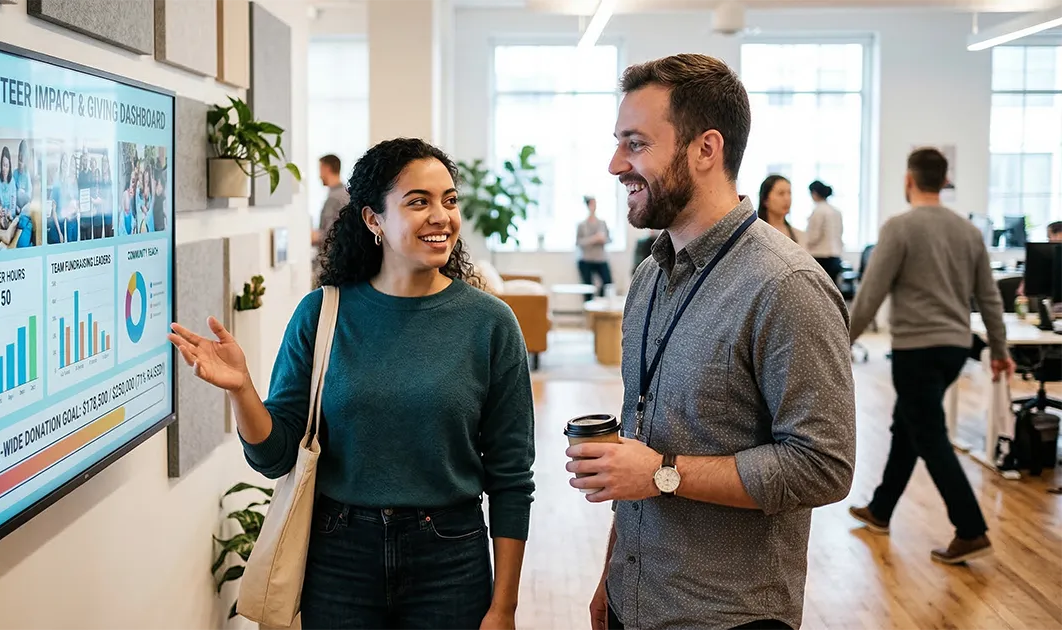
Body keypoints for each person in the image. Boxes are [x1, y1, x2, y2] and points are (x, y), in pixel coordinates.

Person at [169, 138, 535, 630]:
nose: (441, 216)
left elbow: (512, 477)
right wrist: (242, 390)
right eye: (418, 201)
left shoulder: (490, 323)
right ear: (373, 220)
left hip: (450, 557)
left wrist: (503, 608)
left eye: (449, 200)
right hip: (339, 556)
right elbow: (275, 456)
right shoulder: (321, 314)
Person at [570, 54, 855, 630]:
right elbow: (641, 440)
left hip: (727, 615)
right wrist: (613, 573)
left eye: (636, 143)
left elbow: (822, 465)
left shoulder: (786, 286)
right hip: (636, 596)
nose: (615, 163)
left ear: (706, 149)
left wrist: (661, 474)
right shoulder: (652, 275)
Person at [847, 148, 1014, 565]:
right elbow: (989, 297)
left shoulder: (900, 228)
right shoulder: (968, 231)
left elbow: (870, 293)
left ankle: (971, 529)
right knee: (909, 426)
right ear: (944, 181)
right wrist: (999, 348)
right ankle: (882, 509)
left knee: (930, 434)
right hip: (955, 349)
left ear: (909, 180)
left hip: (916, 349)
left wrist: (839, 340)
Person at [805, 180, 844, 284]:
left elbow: (813, 236)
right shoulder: (836, 211)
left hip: (821, 257)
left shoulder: (818, 211)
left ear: (814, 193)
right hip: (836, 257)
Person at [576, 196, 614, 300]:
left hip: (600, 258)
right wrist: (593, 239)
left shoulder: (602, 223)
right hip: (586, 259)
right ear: (588, 205)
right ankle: (589, 309)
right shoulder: (582, 225)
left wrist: (603, 239)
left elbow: (609, 239)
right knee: (587, 287)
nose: (594, 206)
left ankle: (601, 306)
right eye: (592, 204)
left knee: (607, 283)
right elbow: (578, 242)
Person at [757, 174, 802, 244]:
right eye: (781, 193)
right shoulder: (756, 233)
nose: (787, 199)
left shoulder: (799, 235)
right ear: (765, 200)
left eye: (789, 193)